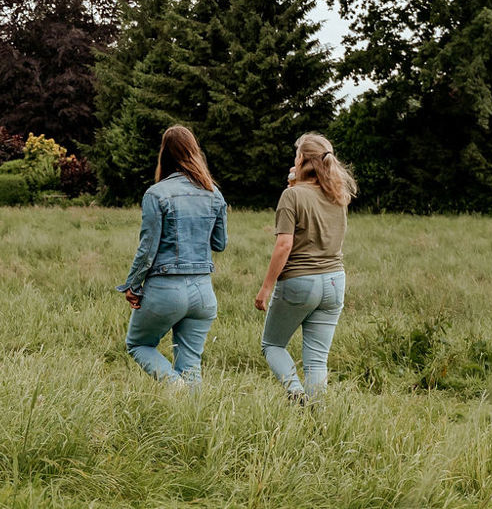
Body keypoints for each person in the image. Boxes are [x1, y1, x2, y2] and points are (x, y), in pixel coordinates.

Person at [118, 125, 228, 386]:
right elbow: (220, 243)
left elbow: (148, 249)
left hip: (166, 288)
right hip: (203, 291)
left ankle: (176, 390)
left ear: (164, 154)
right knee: (190, 363)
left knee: (138, 344)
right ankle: (193, 419)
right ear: (194, 152)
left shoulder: (155, 194)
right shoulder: (214, 193)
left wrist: (133, 285)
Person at [253, 133, 356, 403]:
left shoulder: (292, 196)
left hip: (300, 281)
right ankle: (315, 417)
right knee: (316, 360)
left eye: (296, 155)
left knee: (272, 345)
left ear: (302, 160)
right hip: (334, 282)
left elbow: (284, 245)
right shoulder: (338, 196)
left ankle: (295, 392)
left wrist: (266, 288)